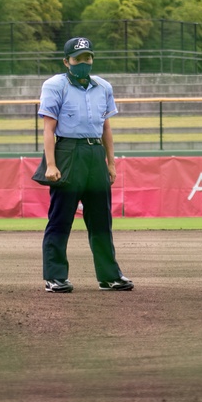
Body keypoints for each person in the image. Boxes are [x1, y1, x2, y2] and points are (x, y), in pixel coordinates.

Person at [37, 37, 133, 294]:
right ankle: (55, 277)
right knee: (60, 219)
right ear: (66, 61)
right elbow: (48, 128)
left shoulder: (103, 86)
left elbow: (106, 127)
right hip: (68, 152)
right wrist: (51, 164)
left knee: (101, 219)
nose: (83, 63)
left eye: (87, 58)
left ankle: (109, 276)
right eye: (77, 59)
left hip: (95, 153)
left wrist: (111, 163)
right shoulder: (54, 85)